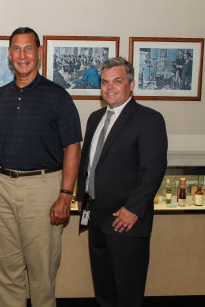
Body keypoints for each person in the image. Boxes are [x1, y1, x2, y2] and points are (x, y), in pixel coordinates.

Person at [0, 27, 82, 307]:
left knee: (41, 269)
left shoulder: (57, 96)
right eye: (16, 49)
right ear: (9, 54)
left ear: (39, 53)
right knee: (6, 267)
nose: (22, 55)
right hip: (2, 186)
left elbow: (72, 148)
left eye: (28, 49)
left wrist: (65, 195)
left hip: (43, 188)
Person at [76, 57, 168, 307]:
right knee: (104, 291)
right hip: (96, 218)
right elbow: (88, 164)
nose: (109, 87)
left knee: (127, 293)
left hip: (125, 221)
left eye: (117, 81)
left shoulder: (149, 119)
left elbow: (153, 170)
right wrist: (81, 200)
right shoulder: (95, 118)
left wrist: (133, 210)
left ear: (131, 84)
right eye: (105, 82)